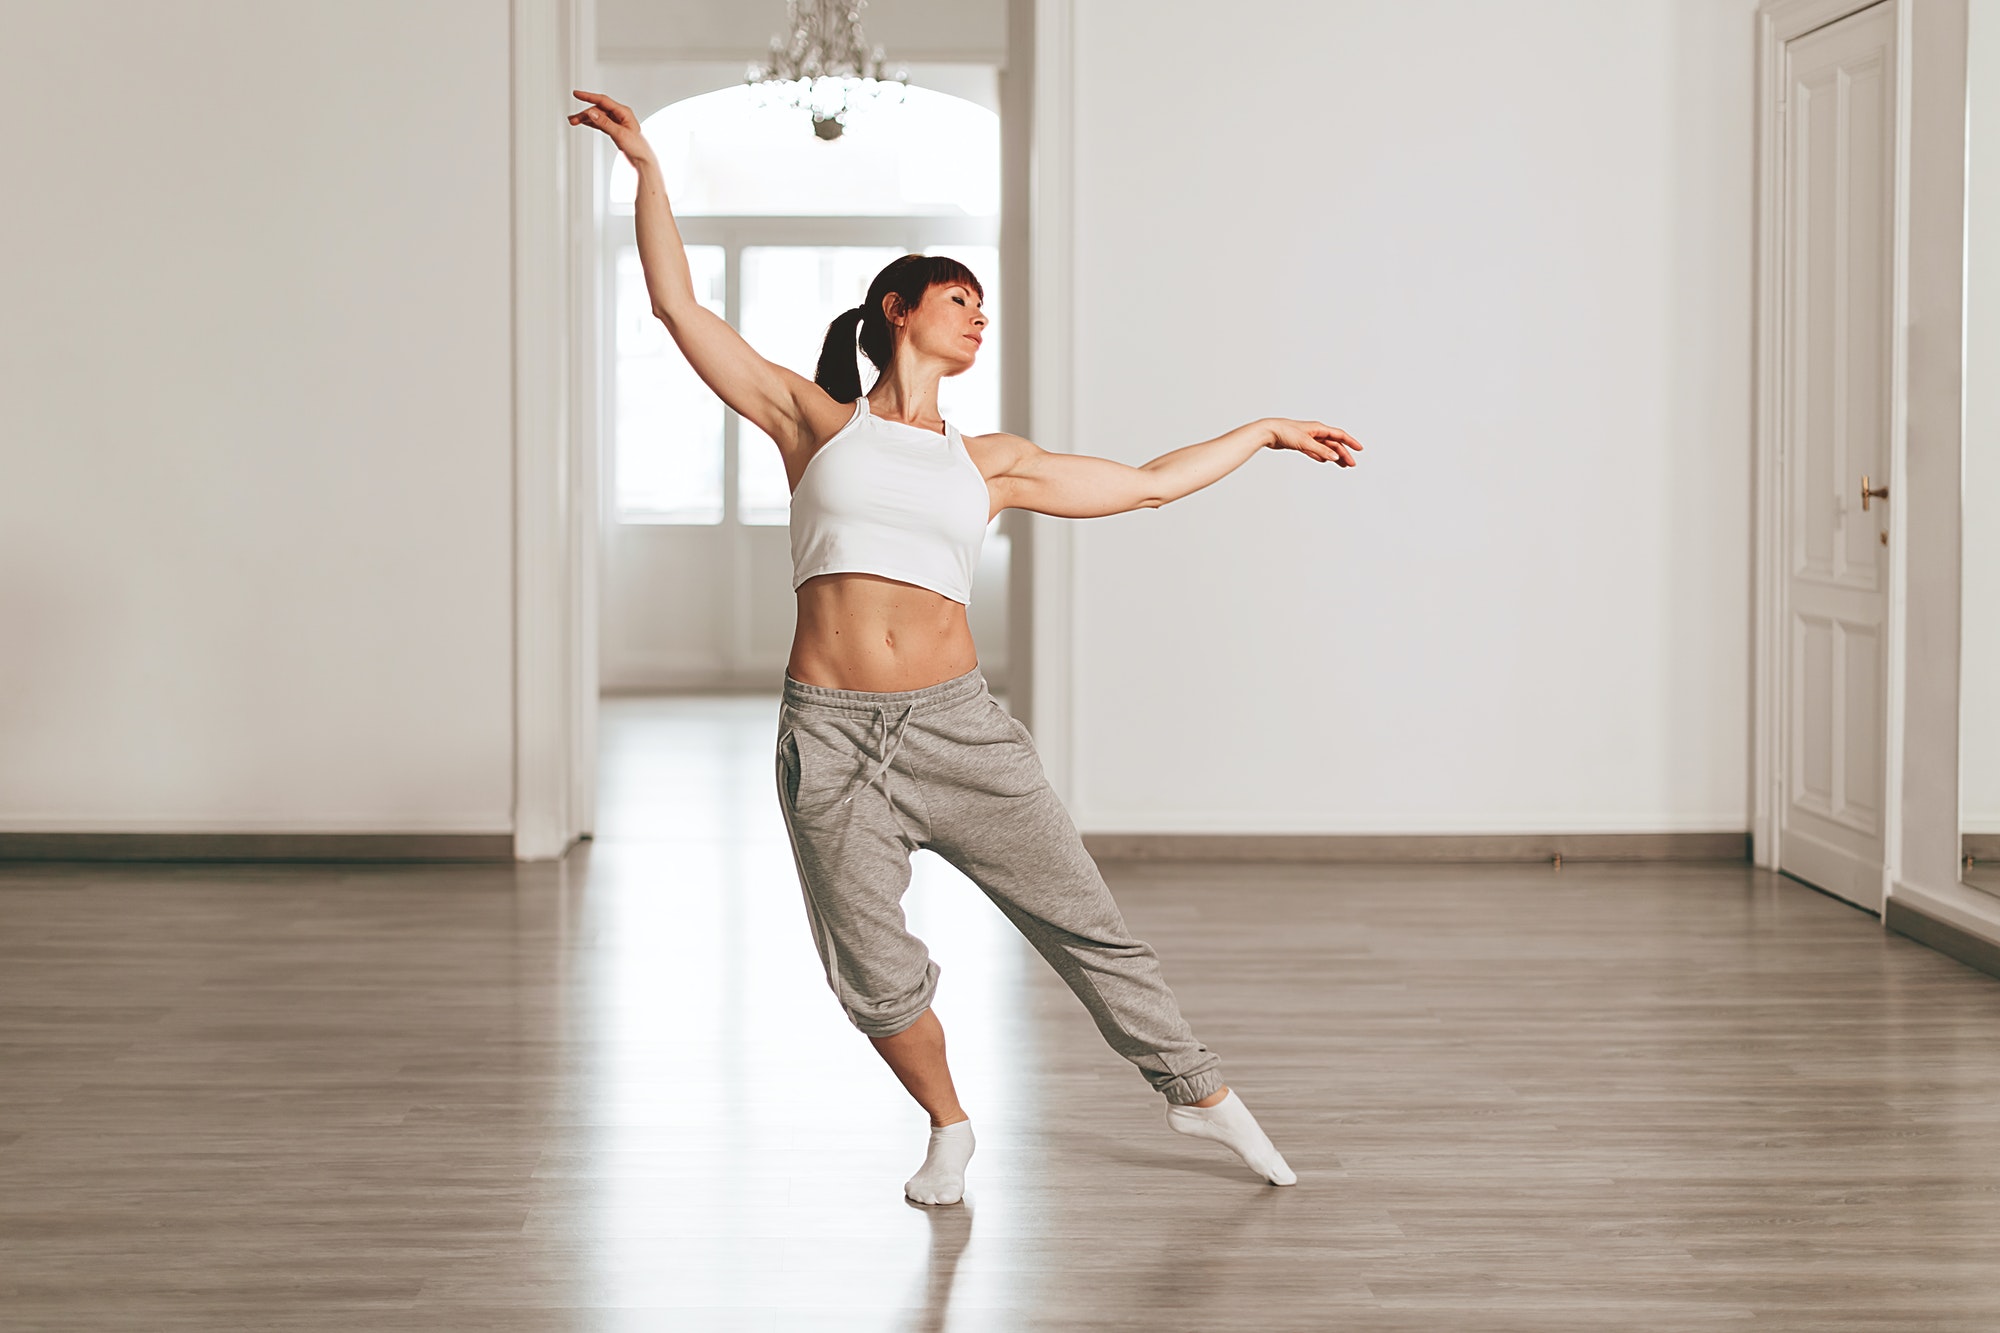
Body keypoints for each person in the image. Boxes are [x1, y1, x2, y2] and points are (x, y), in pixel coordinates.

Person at [570, 90, 1362, 1206]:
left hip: (957, 725)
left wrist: (1266, 430)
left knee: (1086, 923)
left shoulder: (990, 461)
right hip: (830, 734)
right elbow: (674, 307)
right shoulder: (814, 422)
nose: (977, 317)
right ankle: (948, 1126)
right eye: (958, 299)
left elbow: (1143, 486)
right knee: (871, 970)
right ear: (896, 310)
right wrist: (648, 167)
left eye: (983, 305)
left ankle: (1193, 1089)